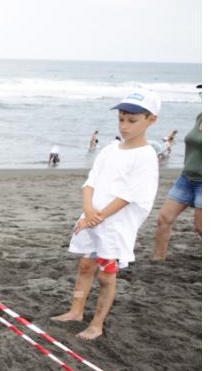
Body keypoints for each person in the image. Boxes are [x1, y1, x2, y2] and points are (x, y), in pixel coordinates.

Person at [51, 89, 161, 340]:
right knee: (85, 264)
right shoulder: (110, 149)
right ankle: (76, 311)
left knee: (106, 274)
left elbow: (128, 195)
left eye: (132, 121)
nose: (124, 126)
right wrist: (88, 212)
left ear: (150, 120)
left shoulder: (146, 155)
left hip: (115, 225)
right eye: (121, 119)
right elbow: (91, 181)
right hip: (92, 218)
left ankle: (97, 324)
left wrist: (97, 217)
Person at [153, 89, 201, 260]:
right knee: (164, 219)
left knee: (201, 227)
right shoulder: (200, 116)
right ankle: (158, 260)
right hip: (186, 178)